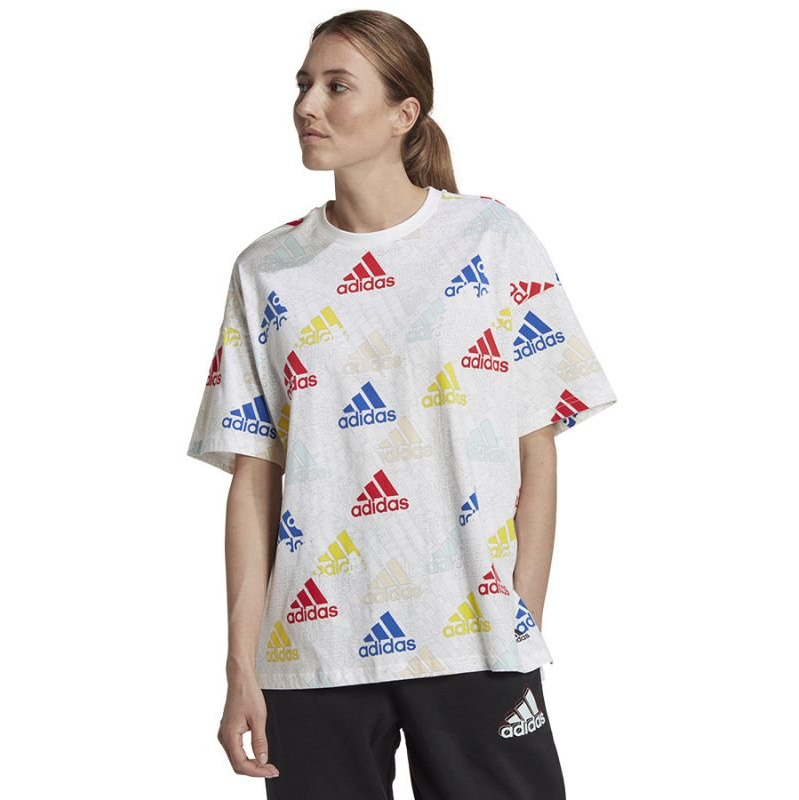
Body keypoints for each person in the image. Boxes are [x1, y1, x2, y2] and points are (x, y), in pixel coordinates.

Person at [185, 10, 617, 799]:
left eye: (336, 86)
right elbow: (252, 481)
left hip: (474, 643)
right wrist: (241, 664)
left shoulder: (490, 239)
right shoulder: (267, 270)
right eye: (303, 85)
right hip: (312, 653)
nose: (307, 105)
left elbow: (537, 447)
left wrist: (520, 615)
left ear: (403, 113)